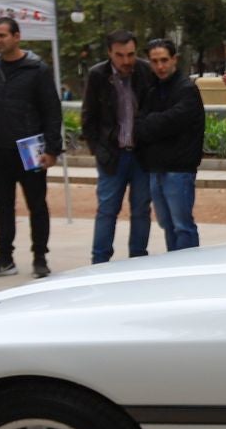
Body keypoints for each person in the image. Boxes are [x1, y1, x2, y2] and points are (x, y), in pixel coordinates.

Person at [0, 16, 62, 279]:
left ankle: (40, 257)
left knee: (37, 205)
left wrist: (52, 149)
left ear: (17, 36)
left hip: (28, 150)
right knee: (2, 206)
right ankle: (4, 258)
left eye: (2, 36)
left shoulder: (36, 69)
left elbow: (51, 111)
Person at [79, 30, 155, 264]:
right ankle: (100, 261)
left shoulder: (145, 71)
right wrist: (98, 150)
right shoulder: (97, 75)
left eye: (130, 54)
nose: (126, 61)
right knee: (107, 210)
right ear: (109, 53)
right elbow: (88, 117)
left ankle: (138, 259)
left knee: (141, 210)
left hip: (142, 155)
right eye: (120, 55)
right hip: (112, 155)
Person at [134, 37, 206, 251]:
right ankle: (174, 268)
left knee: (182, 226)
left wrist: (152, 124)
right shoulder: (152, 89)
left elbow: (171, 122)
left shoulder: (186, 90)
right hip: (156, 168)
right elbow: (140, 125)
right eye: (154, 61)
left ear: (174, 59)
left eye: (164, 60)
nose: (160, 66)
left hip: (178, 168)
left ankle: (188, 269)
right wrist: (152, 125)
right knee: (167, 225)